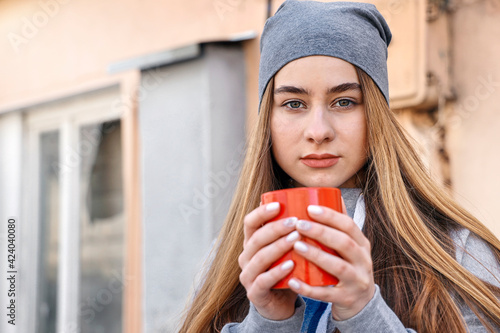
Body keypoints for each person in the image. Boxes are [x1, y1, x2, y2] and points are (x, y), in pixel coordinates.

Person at [179, 1, 500, 332]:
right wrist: (269, 320)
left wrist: (365, 312)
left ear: (374, 113)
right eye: (293, 103)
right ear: (268, 121)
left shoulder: (454, 252)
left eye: (344, 102)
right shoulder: (233, 259)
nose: (318, 131)